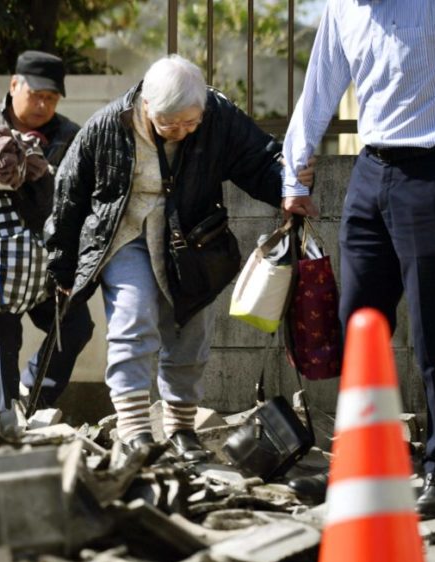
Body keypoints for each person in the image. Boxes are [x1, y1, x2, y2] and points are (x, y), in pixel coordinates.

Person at [47, 54, 313, 460]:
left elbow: (256, 159)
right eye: (171, 124)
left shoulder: (218, 115)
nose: (182, 132)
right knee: (132, 320)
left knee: (191, 329)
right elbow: (69, 194)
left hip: (192, 236)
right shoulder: (108, 125)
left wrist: (288, 187)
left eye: (191, 123)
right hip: (126, 234)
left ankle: (181, 427)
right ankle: (135, 428)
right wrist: (62, 265)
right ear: (147, 105)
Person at [280, 0, 435, 519]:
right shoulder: (343, 9)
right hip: (370, 173)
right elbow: (319, 89)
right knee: (358, 322)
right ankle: (361, 463)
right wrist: (293, 176)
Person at [0, 50, 94, 412]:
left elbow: (84, 202)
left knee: (76, 326)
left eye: (51, 98)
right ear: (14, 84)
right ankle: (4, 420)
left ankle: (32, 397)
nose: (43, 105)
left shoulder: (71, 137)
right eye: (36, 95)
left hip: (47, 266)